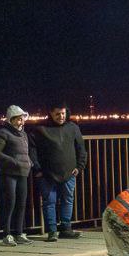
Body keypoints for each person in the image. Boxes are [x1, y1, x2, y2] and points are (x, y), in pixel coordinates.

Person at [29, 103, 89, 241]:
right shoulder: (39, 129)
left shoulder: (73, 127)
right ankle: (52, 231)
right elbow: (32, 151)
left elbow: (81, 149)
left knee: (68, 200)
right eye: (57, 114)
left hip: (69, 172)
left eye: (63, 113)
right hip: (45, 173)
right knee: (50, 201)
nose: (61, 116)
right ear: (50, 113)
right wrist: (37, 169)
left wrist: (80, 167)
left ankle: (66, 229)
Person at [0, 105, 33, 245]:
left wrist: (29, 162)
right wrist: (13, 161)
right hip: (9, 173)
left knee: (21, 203)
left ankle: (20, 233)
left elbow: (25, 152)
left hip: (23, 172)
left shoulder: (24, 134)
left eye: (23, 119)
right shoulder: (4, 132)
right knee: (10, 203)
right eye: (19, 119)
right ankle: (7, 234)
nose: (22, 122)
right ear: (11, 120)